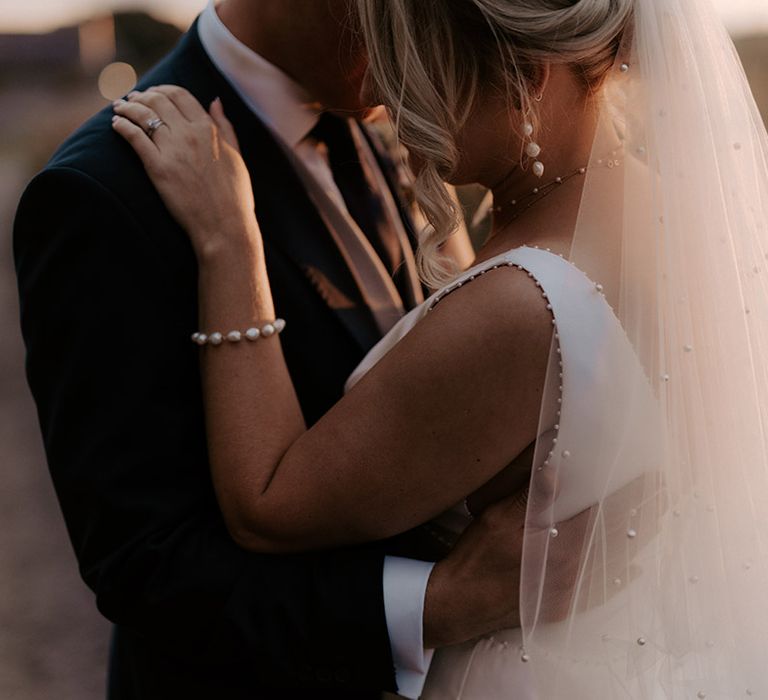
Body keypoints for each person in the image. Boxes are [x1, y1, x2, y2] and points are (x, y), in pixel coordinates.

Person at [111, 0, 768, 697]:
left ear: (528, 74)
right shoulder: (666, 217)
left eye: (417, 63)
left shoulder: (523, 303)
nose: (381, 93)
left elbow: (266, 506)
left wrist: (229, 241)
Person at [13, 1, 540, 698]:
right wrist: (441, 603)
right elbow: (149, 568)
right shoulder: (103, 192)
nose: (410, 34)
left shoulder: (385, 120)